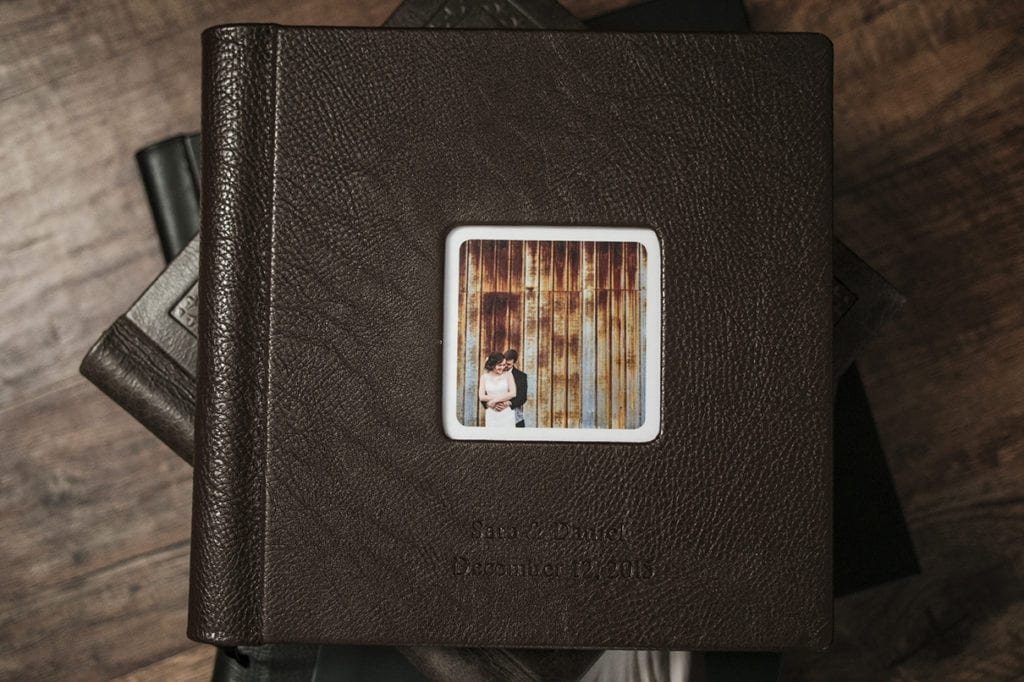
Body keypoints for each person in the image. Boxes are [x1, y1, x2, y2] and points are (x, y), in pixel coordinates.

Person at [478, 352, 516, 428]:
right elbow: (481, 396)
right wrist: (501, 399)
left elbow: (513, 393)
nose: (502, 367)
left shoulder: (508, 375)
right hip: (492, 412)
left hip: (506, 411)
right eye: (499, 365)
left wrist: (494, 401)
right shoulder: (484, 377)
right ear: (492, 364)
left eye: (504, 365)